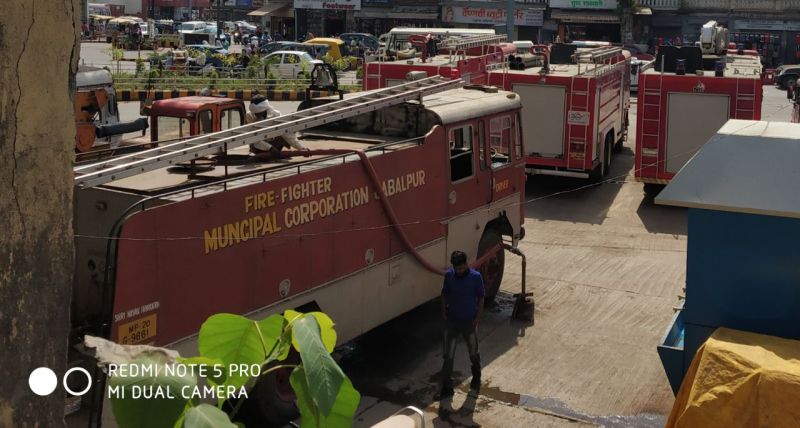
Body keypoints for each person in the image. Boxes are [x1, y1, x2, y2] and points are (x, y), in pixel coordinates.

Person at [438, 250, 485, 398]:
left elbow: (481, 297)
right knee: (448, 355)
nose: (459, 271)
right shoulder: (449, 276)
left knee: (473, 352)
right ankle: (446, 386)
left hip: (469, 322)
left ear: (466, 264)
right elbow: (444, 293)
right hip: (452, 321)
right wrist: (444, 311)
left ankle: (476, 377)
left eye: (461, 268)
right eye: (456, 269)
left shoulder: (475, 277)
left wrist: (477, 318)